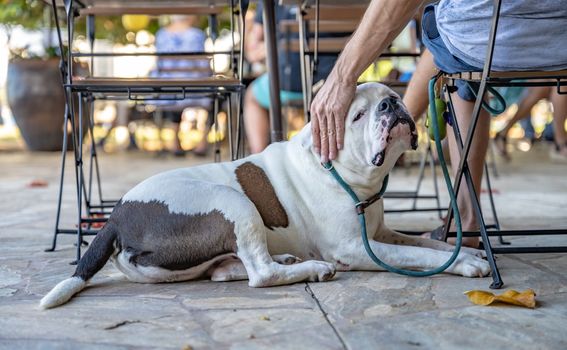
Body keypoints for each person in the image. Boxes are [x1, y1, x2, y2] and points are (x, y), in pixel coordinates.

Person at [310, 0, 567, 247]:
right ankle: (399, 129)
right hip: (560, 42)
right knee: (451, 42)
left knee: (451, 47)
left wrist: (341, 77)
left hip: (487, 39)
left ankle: (465, 221)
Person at [244, 2, 337, 153]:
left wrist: (274, 48)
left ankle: (259, 155)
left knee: (252, 97)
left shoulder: (270, 3)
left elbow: (252, 52)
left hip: (287, 83)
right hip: (332, 84)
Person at [153, 15, 211, 156]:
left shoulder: (161, 34)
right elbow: (202, 64)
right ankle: (202, 143)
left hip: (167, 89)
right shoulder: (196, 34)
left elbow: (158, 63)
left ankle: (175, 142)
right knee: (216, 95)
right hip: (194, 88)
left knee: (176, 89)